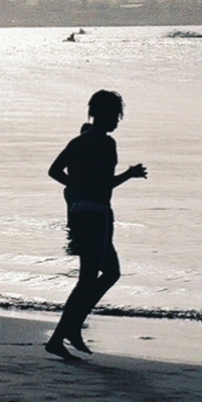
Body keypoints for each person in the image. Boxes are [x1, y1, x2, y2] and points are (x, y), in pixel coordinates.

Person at [45, 89, 147, 359]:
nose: (117, 121)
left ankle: (71, 328)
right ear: (103, 115)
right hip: (96, 214)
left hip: (82, 212)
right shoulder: (106, 144)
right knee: (90, 278)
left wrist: (77, 185)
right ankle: (61, 335)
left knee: (109, 273)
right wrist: (129, 174)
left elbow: (54, 171)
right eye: (115, 116)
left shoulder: (78, 142)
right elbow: (105, 184)